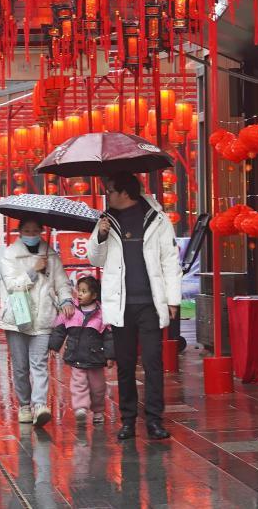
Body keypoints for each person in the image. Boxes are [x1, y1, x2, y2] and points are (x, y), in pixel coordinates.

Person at [87, 172, 182, 441]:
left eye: (110, 190)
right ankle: (128, 420)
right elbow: (95, 258)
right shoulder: (106, 220)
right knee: (125, 364)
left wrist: (172, 299)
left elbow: (170, 260)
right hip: (121, 304)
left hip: (150, 302)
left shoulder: (156, 218)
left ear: (125, 192)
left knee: (153, 362)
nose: (107, 195)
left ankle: (154, 420)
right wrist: (100, 236)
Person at [0, 218, 74, 427]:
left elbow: (62, 283)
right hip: (17, 318)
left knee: (39, 364)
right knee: (20, 367)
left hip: (43, 318)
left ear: (41, 231)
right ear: (19, 232)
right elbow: (12, 285)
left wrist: (66, 299)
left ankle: (40, 405)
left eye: (34, 231)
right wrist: (34, 270)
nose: (31, 234)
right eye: (27, 231)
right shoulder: (10, 254)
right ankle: (24, 405)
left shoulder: (51, 255)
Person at [49, 275, 115, 425]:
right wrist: (54, 346)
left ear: (94, 295)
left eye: (84, 291)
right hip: (76, 356)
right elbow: (60, 330)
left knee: (98, 388)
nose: (79, 294)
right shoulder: (71, 310)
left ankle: (98, 411)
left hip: (96, 359)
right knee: (78, 384)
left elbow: (109, 337)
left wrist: (110, 356)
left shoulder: (102, 313)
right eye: (78, 290)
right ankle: (80, 409)